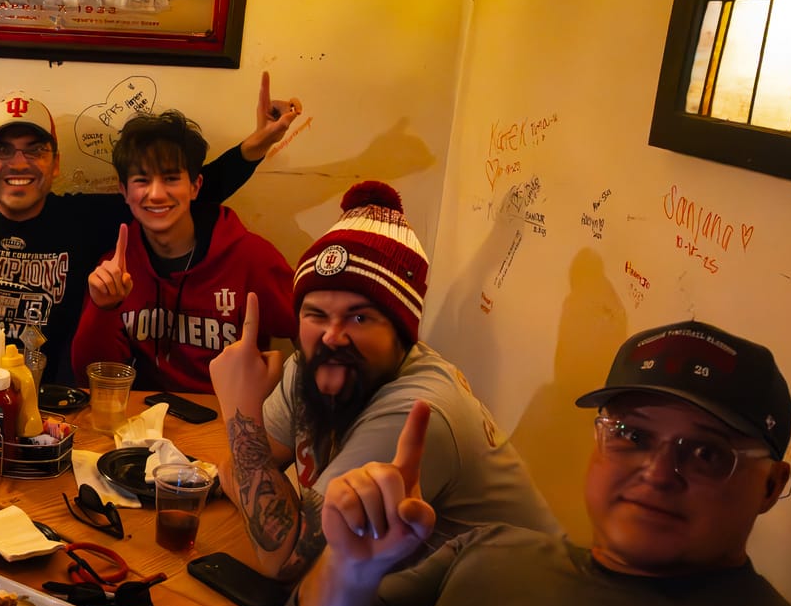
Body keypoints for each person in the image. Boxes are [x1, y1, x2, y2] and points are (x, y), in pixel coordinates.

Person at [280, 321, 791, 606]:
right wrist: (350, 568)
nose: (658, 473)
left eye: (706, 453)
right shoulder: (488, 552)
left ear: (771, 486)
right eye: (632, 435)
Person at [209, 181, 558, 584]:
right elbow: (244, 469)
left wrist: (239, 410)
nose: (331, 336)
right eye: (315, 314)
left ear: (401, 333)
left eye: (359, 317)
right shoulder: (311, 366)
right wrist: (263, 490)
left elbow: (286, 561)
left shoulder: (416, 409)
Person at [0, 77, 301, 384]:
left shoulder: (86, 217)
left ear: (56, 164)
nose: (18, 163)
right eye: (3, 150)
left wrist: (257, 144)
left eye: (35, 150)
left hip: (48, 402)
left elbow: (174, 194)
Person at [70, 110, 294, 393]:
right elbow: (92, 379)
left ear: (195, 186)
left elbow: (310, 328)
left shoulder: (251, 258)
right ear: (124, 191)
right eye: (142, 180)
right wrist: (103, 308)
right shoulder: (117, 268)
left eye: (171, 179)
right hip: (147, 415)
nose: (156, 194)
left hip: (232, 414)